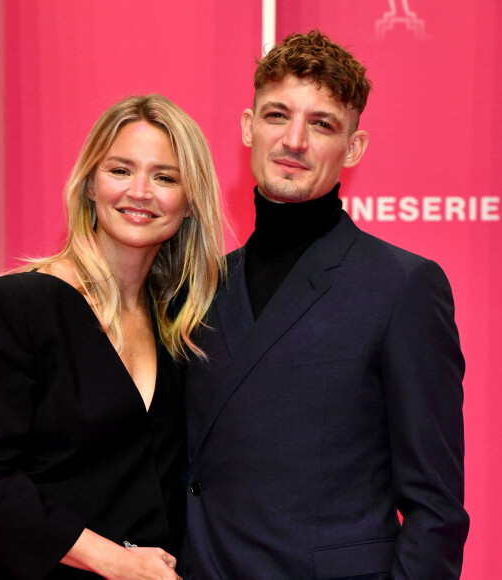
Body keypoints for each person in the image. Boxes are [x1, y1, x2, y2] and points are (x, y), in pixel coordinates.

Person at [180, 31, 469, 580]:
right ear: (248, 127)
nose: (293, 140)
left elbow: (436, 508)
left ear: (353, 147)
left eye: (321, 124)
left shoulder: (402, 286)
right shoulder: (200, 283)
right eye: (276, 116)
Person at [0, 94, 224, 580]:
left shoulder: (183, 323)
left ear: (189, 203)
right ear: (90, 185)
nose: (140, 191)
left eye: (165, 177)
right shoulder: (16, 306)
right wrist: (117, 563)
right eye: (120, 170)